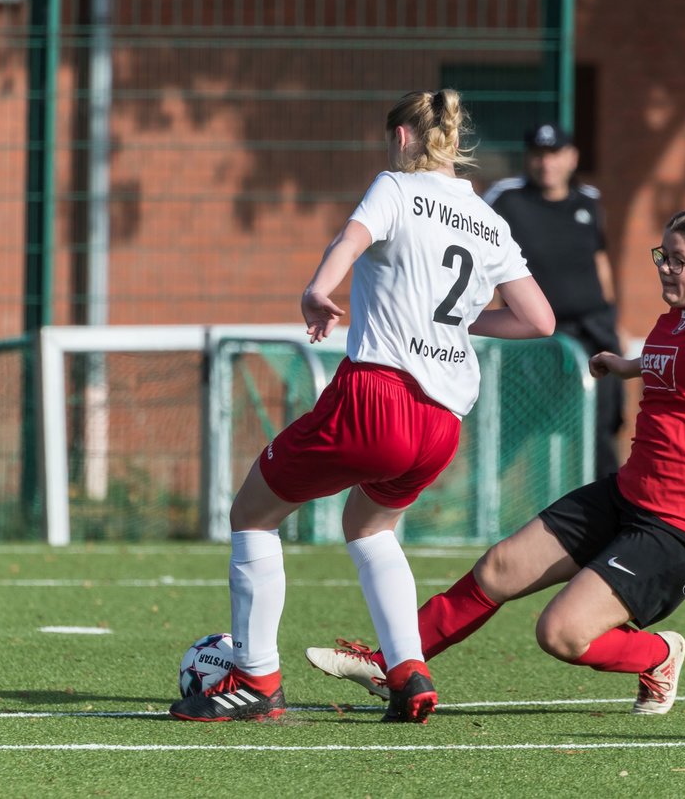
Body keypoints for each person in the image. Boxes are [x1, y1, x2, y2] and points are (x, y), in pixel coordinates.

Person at [305, 205, 685, 715]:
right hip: (628, 492)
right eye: (662, 256)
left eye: (678, 260)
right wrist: (626, 367)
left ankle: (659, 654)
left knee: (560, 633)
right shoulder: (677, 318)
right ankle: (394, 666)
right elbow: (678, 361)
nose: (665, 268)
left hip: (679, 525)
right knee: (498, 568)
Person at [168, 89, 555, 725]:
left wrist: (318, 290)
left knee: (252, 513)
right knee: (370, 528)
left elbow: (351, 240)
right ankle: (408, 673)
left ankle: (257, 679)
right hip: (442, 422)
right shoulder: (489, 220)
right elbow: (539, 320)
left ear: (403, 137)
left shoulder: (396, 187)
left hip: (378, 396)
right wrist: (459, 326)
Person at [483, 122, 624, 478]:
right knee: (513, 429)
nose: (547, 164)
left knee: (600, 428)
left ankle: (606, 511)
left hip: (593, 332)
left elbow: (600, 262)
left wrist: (614, 320)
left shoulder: (589, 201)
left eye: (555, 154)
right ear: (528, 159)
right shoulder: (505, 199)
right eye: (538, 155)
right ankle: (486, 505)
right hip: (534, 337)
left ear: (572, 157)